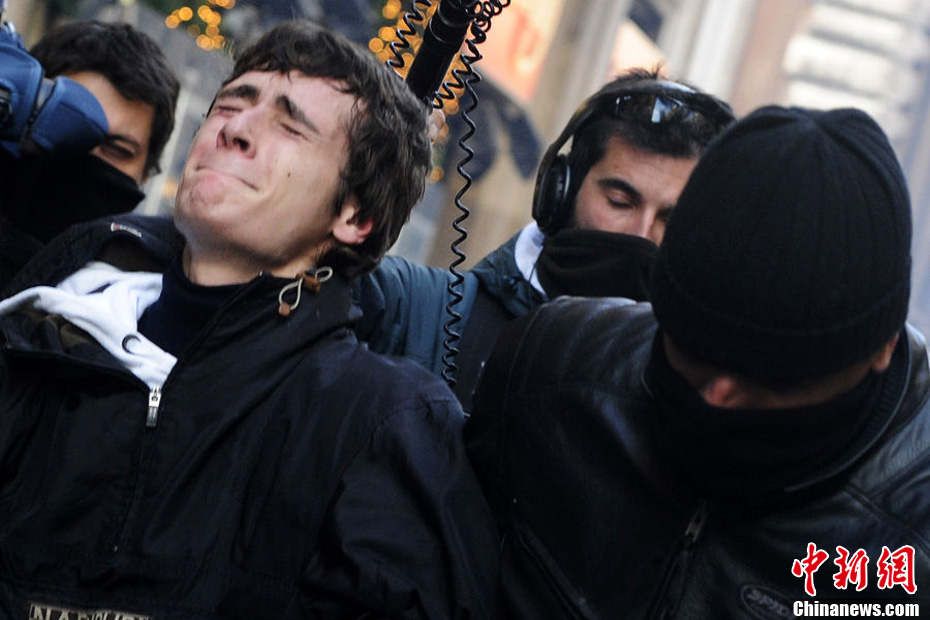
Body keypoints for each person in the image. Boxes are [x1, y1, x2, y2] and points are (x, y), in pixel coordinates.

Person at [0, 20, 497, 618]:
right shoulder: (38, 327)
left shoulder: (382, 426)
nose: (233, 129)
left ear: (354, 217)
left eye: (290, 126)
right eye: (231, 105)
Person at [465, 105, 928, 618]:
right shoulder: (550, 368)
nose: (716, 395)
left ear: (882, 347)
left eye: (771, 380)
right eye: (693, 350)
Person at [354, 68, 734, 408]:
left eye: (670, 220)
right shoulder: (413, 308)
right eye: (620, 202)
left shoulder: (699, 396)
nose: (642, 235)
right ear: (560, 190)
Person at [0, 19, 180, 290]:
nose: (86, 156)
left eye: (118, 150)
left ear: (145, 174)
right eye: (66, 124)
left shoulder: (135, 303)